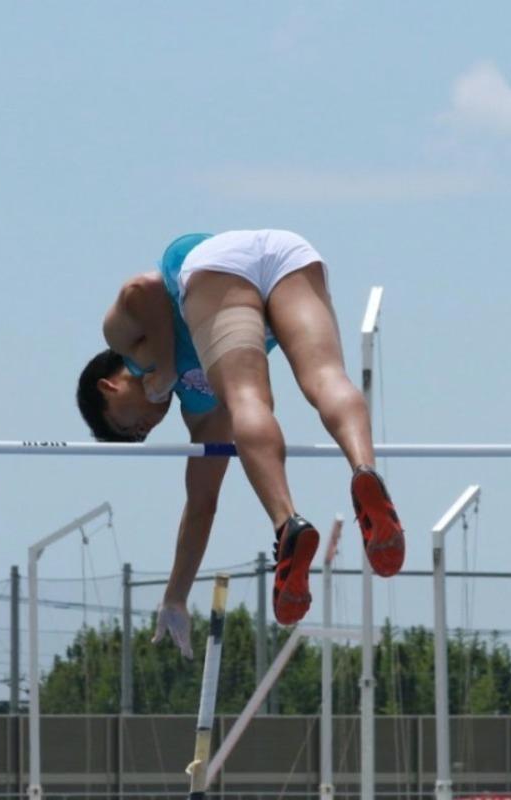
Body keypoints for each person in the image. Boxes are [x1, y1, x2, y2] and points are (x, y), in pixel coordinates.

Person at [77, 230, 404, 655]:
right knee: (326, 377)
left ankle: (288, 523)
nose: (143, 432)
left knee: (246, 397)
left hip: (215, 264)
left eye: (127, 428)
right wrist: (176, 595)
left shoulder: (123, 340)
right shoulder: (199, 408)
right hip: (287, 253)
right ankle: (364, 468)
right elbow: (201, 504)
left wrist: (164, 361)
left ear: (108, 387)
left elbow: (145, 287)